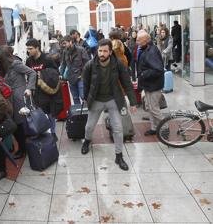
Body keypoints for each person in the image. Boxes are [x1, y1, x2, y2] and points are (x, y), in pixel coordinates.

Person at [81, 39, 137, 171]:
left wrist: (133, 102)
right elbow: (86, 84)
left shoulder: (118, 64)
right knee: (89, 127)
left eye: (105, 51)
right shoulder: (90, 65)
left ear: (110, 52)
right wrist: (85, 98)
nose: (102, 53)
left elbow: (127, 84)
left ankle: (119, 156)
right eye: (100, 50)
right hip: (96, 100)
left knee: (118, 128)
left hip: (113, 99)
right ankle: (87, 141)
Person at [0, 46, 36, 159]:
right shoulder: (4, 66)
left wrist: (29, 88)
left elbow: (32, 73)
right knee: (16, 125)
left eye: (0, 58)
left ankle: (23, 149)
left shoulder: (16, 64)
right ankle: (23, 148)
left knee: (18, 125)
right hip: (10, 98)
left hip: (19, 98)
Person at [25, 38, 62, 140]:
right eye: (27, 49)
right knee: (39, 112)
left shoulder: (47, 59)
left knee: (50, 113)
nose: (28, 51)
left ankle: (53, 133)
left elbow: (55, 73)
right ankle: (42, 132)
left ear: (37, 48)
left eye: (30, 49)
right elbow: (28, 75)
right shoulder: (29, 61)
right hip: (36, 92)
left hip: (47, 91)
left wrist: (43, 74)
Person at [136, 30, 165, 136]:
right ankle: (154, 128)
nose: (137, 42)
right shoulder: (146, 49)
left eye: (139, 40)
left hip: (154, 85)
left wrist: (143, 74)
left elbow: (158, 69)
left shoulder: (151, 51)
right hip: (149, 85)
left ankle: (165, 127)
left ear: (146, 41)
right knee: (149, 107)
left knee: (154, 109)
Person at [60, 35, 90, 105]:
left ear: (70, 42)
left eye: (65, 43)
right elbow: (63, 64)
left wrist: (83, 75)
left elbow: (87, 64)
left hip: (81, 77)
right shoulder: (65, 52)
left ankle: (87, 112)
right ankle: (78, 114)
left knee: (83, 96)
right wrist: (61, 75)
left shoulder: (81, 50)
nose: (63, 45)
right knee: (75, 97)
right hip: (71, 78)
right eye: (62, 44)